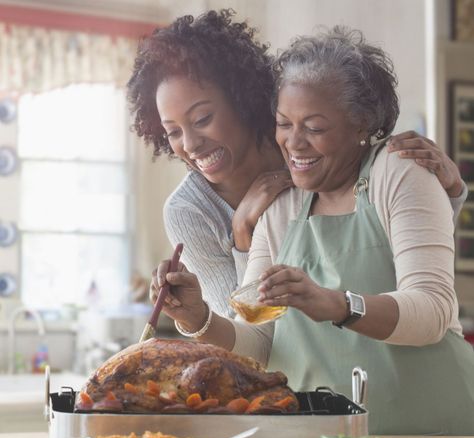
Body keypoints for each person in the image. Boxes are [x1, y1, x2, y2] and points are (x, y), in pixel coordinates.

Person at [152, 26, 474, 435]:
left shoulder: (399, 171)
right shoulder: (281, 205)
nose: (294, 143)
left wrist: (338, 305)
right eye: (284, 124)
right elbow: (260, 343)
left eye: (315, 128)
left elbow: (432, 310)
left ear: (361, 125)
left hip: (434, 435)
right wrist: (197, 318)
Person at [127, 10, 465, 320]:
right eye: (172, 131)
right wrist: (242, 234)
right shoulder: (189, 211)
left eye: (203, 118)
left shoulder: (315, 158)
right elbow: (245, 332)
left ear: (243, 98)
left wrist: (449, 193)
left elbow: (405, 261)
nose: (189, 144)